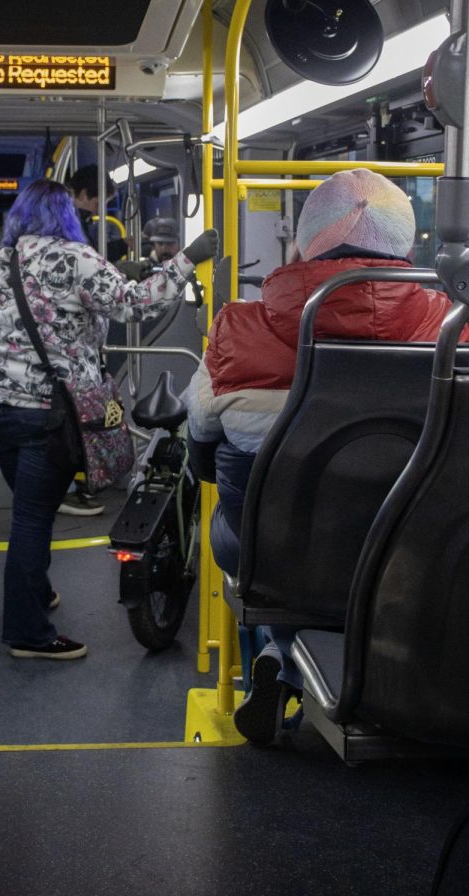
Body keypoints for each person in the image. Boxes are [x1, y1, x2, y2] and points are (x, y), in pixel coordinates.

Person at [184, 168, 459, 745]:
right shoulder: (453, 328)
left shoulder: (238, 326)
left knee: (236, 534)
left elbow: (203, 452)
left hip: (286, 550)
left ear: (306, 239)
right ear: (405, 242)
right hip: (416, 552)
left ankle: (284, 659)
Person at [0, 177, 217, 660]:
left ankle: (34, 593)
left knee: (28, 507)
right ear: (67, 216)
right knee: (33, 518)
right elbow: (136, 301)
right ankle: (28, 632)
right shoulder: (75, 258)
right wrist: (188, 257)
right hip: (49, 407)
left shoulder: (5, 259)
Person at [66, 164, 127, 261]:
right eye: (98, 205)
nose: (98, 212)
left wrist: (123, 245)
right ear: (83, 195)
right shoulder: (68, 227)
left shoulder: (76, 222)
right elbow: (88, 260)